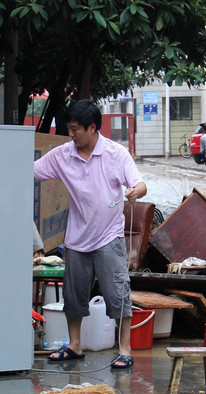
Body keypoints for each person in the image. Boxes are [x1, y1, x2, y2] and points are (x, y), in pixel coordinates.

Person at [33, 99, 146, 369]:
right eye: (69, 129)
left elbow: (140, 184)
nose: (70, 134)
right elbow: (33, 172)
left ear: (92, 127)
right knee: (73, 296)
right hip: (76, 238)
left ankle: (125, 349)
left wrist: (135, 192)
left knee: (118, 294)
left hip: (109, 237)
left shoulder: (116, 154)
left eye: (75, 129)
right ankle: (74, 345)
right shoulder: (63, 154)